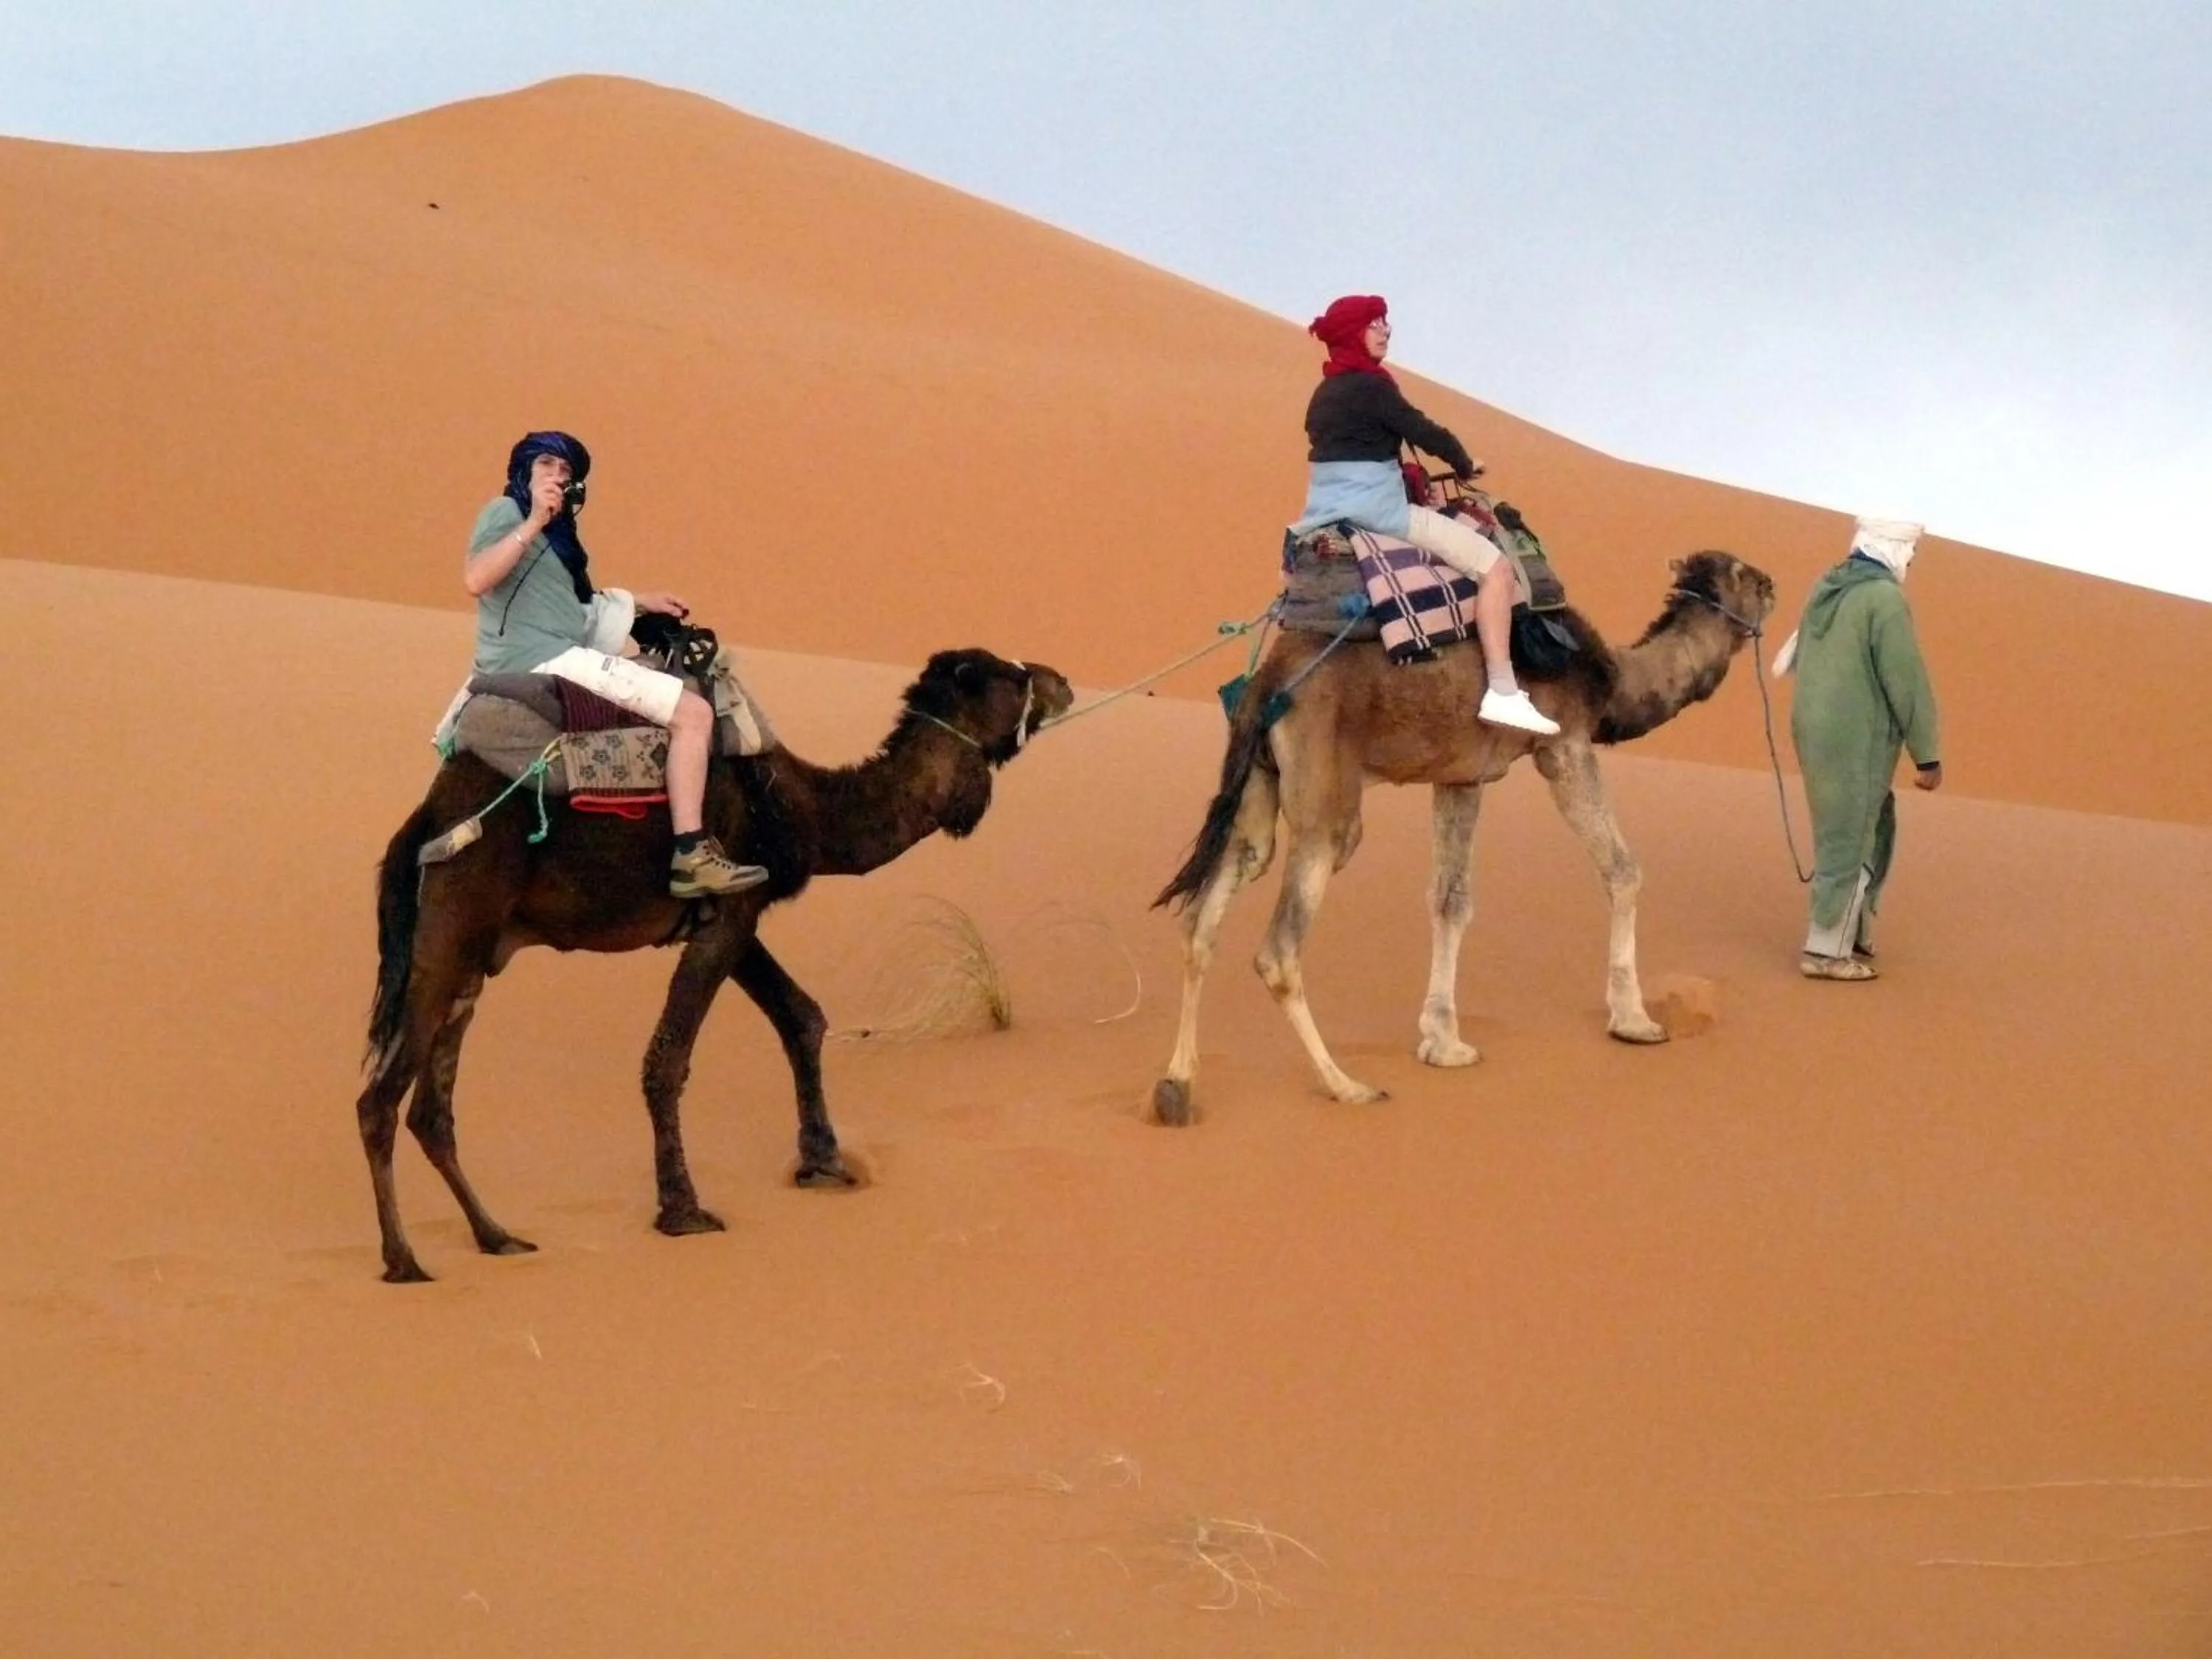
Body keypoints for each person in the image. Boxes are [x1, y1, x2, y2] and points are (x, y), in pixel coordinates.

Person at [462, 431, 766, 898]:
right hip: (543, 658)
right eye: (547, 465)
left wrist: (638, 604)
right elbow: (477, 578)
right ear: (524, 469)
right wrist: (532, 522)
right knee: (695, 714)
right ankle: (691, 855)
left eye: (567, 473)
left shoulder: (560, 544)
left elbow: (569, 613)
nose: (558, 477)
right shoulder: (506, 513)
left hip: (555, 648)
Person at [1292, 295, 1559, 735]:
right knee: (1496, 569)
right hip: (1381, 512)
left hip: (1324, 513)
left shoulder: (1323, 395)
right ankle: (1503, 691)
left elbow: (1357, 450)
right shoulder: (1373, 386)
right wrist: (1465, 463)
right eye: (1373, 324)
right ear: (1351, 334)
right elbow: (1423, 430)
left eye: (1385, 323)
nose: (1385, 331)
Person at [1775, 517, 1941, 981]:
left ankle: (1856, 930)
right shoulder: (1883, 599)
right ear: (1892, 546)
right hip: (1856, 738)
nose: (1911, 559)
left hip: (1816, 731)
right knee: (1851, 838)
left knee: (1872, 826)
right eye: (1910, 549)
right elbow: (1905, 679)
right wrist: (1927, 753)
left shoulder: (1828, 588)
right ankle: (1826, 952)